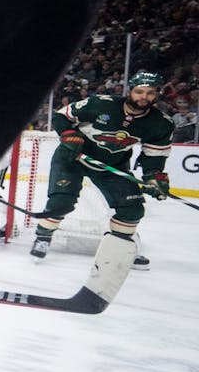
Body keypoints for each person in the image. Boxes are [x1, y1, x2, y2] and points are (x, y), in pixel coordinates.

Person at [30, 70, 173, 270]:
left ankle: (119, 250)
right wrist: (69, 134)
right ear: (130, 91)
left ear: (157, 94)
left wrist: (154, 177)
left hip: (112, 166)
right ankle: (43, 236)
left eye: (150, 93)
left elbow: (154, 156)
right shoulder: (101, 103)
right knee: (60, 203)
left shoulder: (161, 123)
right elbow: (62, 116)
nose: (144, 97)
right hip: (74, 157)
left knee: (133, 209)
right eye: (140, 91)